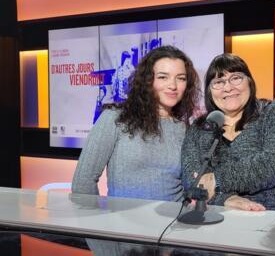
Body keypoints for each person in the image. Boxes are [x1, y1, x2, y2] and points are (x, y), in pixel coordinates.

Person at [72, 45, 199, 201]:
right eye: (162, 77)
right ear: (147, 80)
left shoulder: (184, 128)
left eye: (181, 78)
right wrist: (98, 221)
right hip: (120, 223)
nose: (173, 86)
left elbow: (190, 185)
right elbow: (83, 182)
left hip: (174, 222)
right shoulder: (115, 118)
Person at [181, 53, 275, 212]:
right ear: (209, 91)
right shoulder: (199, 127)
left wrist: (218, 180)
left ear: (249, 82)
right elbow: (193, 179)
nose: (228, 87)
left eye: (236, 78)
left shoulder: (272, 112)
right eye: (219, 82)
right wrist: (225, 199)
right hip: (217, 223)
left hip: (274, 218)